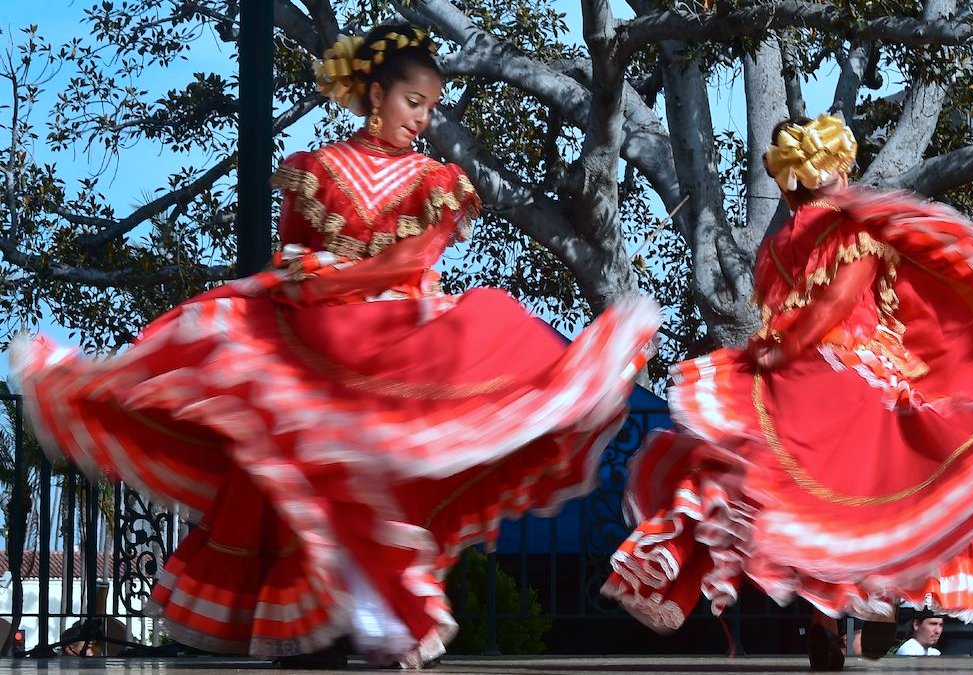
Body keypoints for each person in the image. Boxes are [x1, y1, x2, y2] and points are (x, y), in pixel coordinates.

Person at [10, 22, 659, 668]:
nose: (422, 118)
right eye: (414, 102)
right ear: (377, 94)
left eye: (430, 107)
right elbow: (291, 257)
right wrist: (304, 276)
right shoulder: (318, 169)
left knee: (480, 336)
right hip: (314, 336)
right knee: (294, 461)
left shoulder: (433, 181)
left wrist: (339, 275)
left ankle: (377, 604)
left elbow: (417, 261)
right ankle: (332, 620)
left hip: (390, 347)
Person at [603, 114, 973, 671]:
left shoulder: (777, 243)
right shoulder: (854, 229)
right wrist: (794, 346)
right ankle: (867, 606)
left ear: (789, 179)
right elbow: (833, 307)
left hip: (790, 379)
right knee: (894, 493)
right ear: (837, 168)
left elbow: (787, 311)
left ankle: (806, 614)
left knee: (788, 497)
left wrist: (775, 353)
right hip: (853, 373)